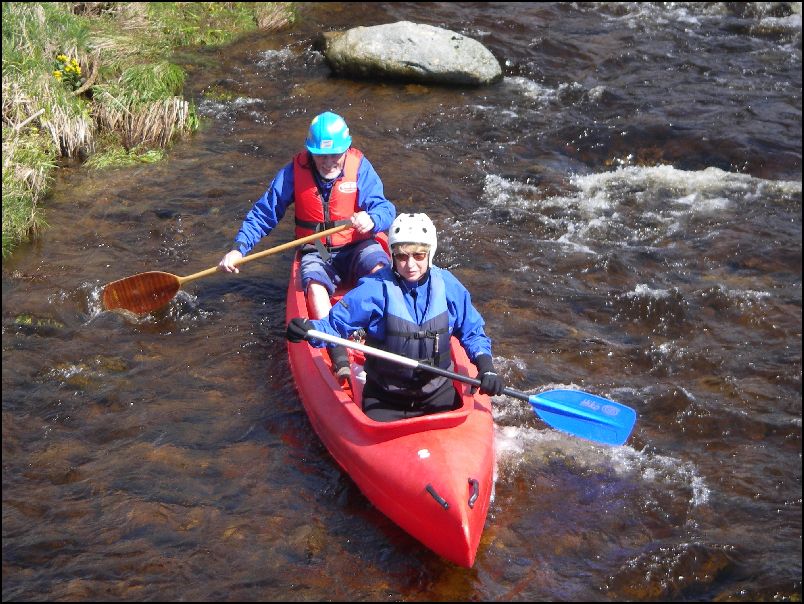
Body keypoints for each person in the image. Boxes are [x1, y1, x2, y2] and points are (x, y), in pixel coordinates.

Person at [219, 111, 396, 379]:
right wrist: (239, 248)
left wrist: (372, 219)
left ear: (346, 149)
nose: (328, 162)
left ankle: (383, 333)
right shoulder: (294, 171)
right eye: (321, 155)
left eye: (334, 155)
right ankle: (338, 354)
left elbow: (385, 208)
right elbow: (265, 212)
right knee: (314, 284)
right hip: (319, 248)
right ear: (310, 152)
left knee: (381, 270)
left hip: (357, 244)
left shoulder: (360, 167)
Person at [286, 212, 504, 422]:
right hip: (386, 401)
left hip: (438, 395)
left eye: (419, 255)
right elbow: (334, 327)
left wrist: (487, 368)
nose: (410, 265)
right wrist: (308, 330)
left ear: (430, 253)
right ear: (392, 255)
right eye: (402, 256)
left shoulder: (448, 286)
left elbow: (472, 332)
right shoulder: (375, 289)